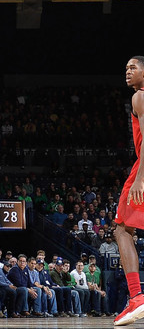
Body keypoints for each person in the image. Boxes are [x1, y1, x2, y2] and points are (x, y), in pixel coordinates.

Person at [114, 55, 144, 327]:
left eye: (133, 68)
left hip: (143, 170)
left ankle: (136, 296)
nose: (128, 71)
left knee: (122, 229)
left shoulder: (139, 97)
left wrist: (140, 178)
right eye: (126, 68)